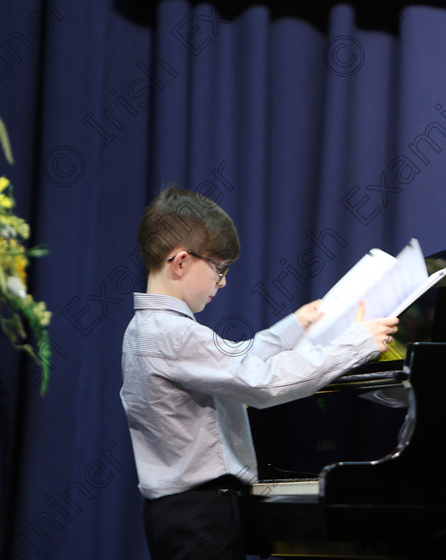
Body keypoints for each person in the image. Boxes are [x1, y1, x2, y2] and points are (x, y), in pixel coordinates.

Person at [120, 186, 398, 559]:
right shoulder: (174, 335)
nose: (223, 282)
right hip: (200, 514)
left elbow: (236, 358)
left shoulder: (150, 329)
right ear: (181, 262)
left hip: (183, 512)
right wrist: (356, 344)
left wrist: (296, 325)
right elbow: (261, 381)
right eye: (219, 269)